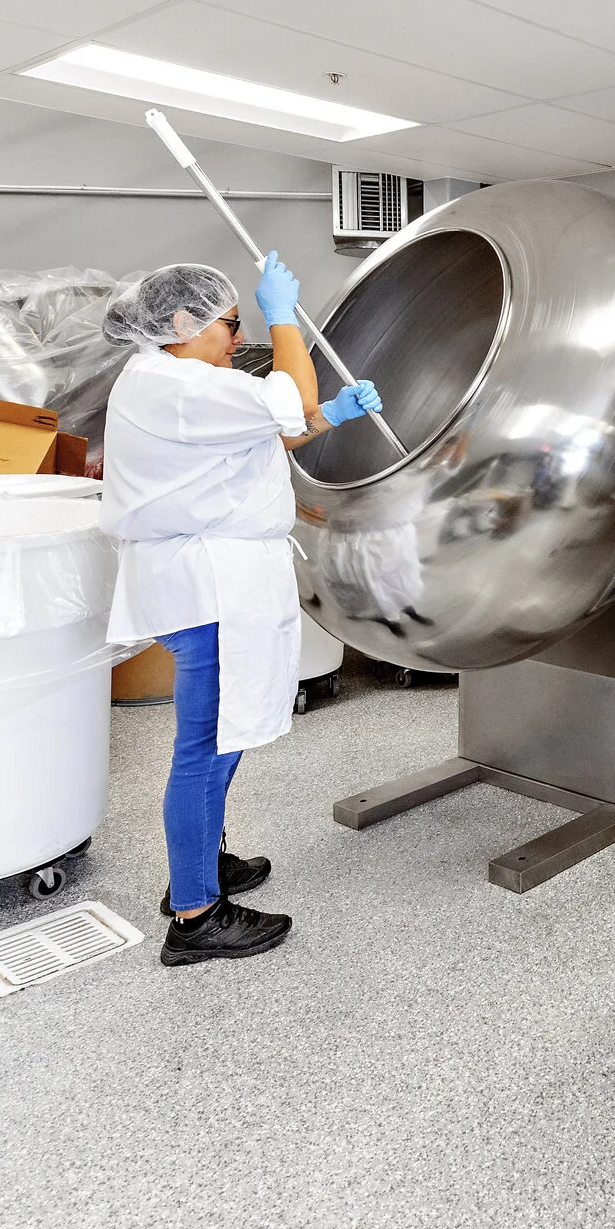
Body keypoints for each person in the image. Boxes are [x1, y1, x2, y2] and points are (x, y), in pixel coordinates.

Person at [98, 253, 382, 966]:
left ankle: (202, 865)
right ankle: (195, 915)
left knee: (222, 736)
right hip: (211, 583)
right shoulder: (179, 385)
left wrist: (332, 414)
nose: (237, 336)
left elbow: (275, 426)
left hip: (212, 578)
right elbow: (287, 393)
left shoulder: (176, 384)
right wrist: (285, 315)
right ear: (183, 321)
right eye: (231, 323)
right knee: (205, 748)